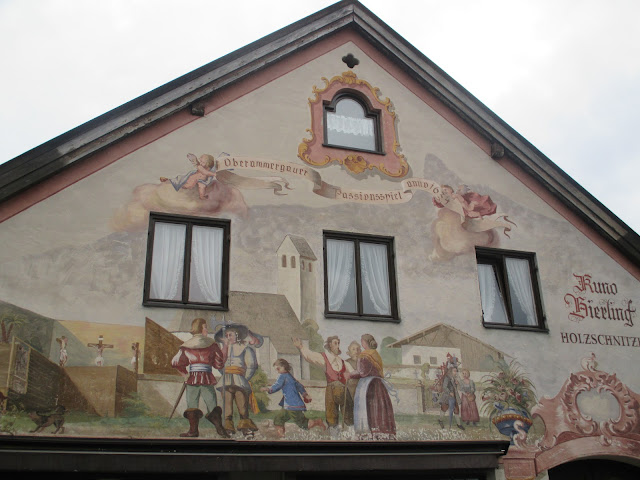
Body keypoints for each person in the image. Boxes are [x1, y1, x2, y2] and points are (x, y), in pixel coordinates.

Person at [171, 317, 229, 438]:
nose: (207, 329)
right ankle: (220, 429)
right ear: (201, 329)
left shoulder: (186, 346)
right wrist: (225, 347)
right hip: (207, 377)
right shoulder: (212, 345)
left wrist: (185, 374)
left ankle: (193, 431)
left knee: (192, 404)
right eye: (205, 327)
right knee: (211, 404)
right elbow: (219, 363)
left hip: (192, 378)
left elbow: (176, 362)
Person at [292, 335, 349, 436]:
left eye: (338, 343)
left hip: (344, 391)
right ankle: (334, 435)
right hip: (331, 390)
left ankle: (349, 435)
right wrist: (301, 347)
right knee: (331, 415)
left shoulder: (343, 362)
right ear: (329, 345)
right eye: (335, 343)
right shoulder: (324, 358)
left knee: (348, 413)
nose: (337, 346)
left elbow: (353, 373)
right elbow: (310, 356)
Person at [215, 323, 262, 438]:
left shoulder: (245, 348)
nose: (228, 337)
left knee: (242, 406)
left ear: (237, 336)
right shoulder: (223, 349)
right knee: (227, 406)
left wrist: (245, 379)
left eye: (230, 335)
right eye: (226, 335)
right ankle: (228, 428)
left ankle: (246, 428)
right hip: (226, 380)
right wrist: (225, 373)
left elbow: (251, 365)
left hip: (239, 379)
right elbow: (220, 365)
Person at [347, 334, 397, 440]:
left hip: (368, 386)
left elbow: (362, 372)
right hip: (379, 385)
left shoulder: (364, 355)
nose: (361, 344)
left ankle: (369, 433)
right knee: (379, 407)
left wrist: (349, 374)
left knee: (369, 408)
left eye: (362, 341)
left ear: (365, 342)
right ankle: (384, 433)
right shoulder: (375, 354)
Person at [260, 358, 326, 438]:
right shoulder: (289, 376)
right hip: (288, 405)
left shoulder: (283, 376)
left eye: (278, 368)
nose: (277, 371)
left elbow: (277, 385)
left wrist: (268, 389)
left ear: (284, 367)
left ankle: (317, 422)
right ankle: (281, 436)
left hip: (293, 405)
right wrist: (305, 394)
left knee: (303, 424)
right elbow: (299, 386)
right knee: (278, 419)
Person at [437, 366, 465, 430]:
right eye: (454, 371)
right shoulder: (447, 378)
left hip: (454, 395)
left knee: (456, 409)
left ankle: (459, 424)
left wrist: (456, 384)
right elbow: (444, 387)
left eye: (456, 371)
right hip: (447, 395)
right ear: (451, 371)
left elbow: (454, 387)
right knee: (444, 408)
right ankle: (440, 420)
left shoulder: (454, 378)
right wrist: (449, 392)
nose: (455, 372)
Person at [344, 341, 362, 428]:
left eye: (358, 349)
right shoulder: (345, 362)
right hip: (349, 388)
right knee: (348, 408)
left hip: (360, 388)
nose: (356, 351)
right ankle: (349, 425)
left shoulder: (363, 362)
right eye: (353, 349)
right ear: (348, 353)